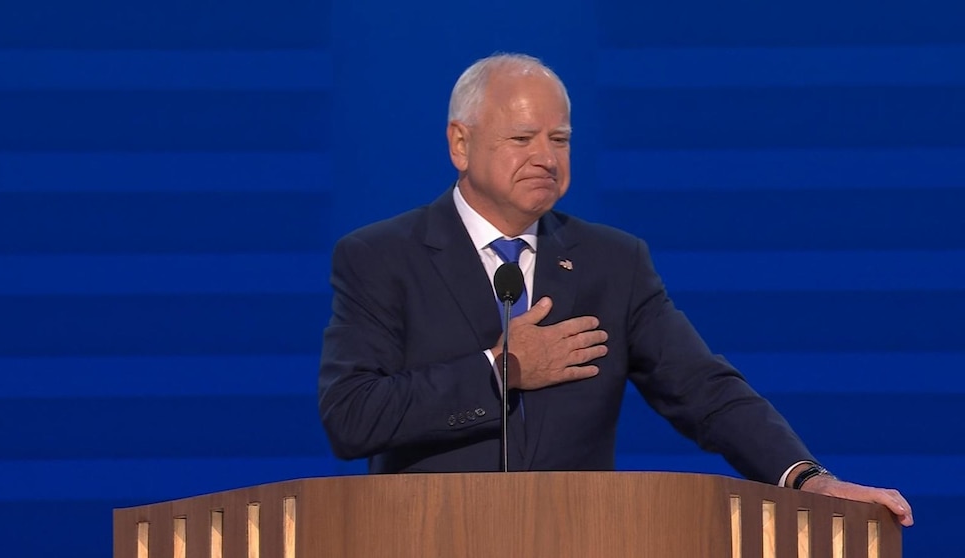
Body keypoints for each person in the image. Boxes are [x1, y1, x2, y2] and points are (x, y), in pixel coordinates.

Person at [318, 53, 913, 526]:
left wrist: (811, 480)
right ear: (460, 143)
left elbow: (705, 391)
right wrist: (501, 371)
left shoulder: (613, 263)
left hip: (582, 537)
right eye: (523, 139)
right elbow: (352, 417)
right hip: (424, 538)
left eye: (561, 139)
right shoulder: (381, 257)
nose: (547, 158)